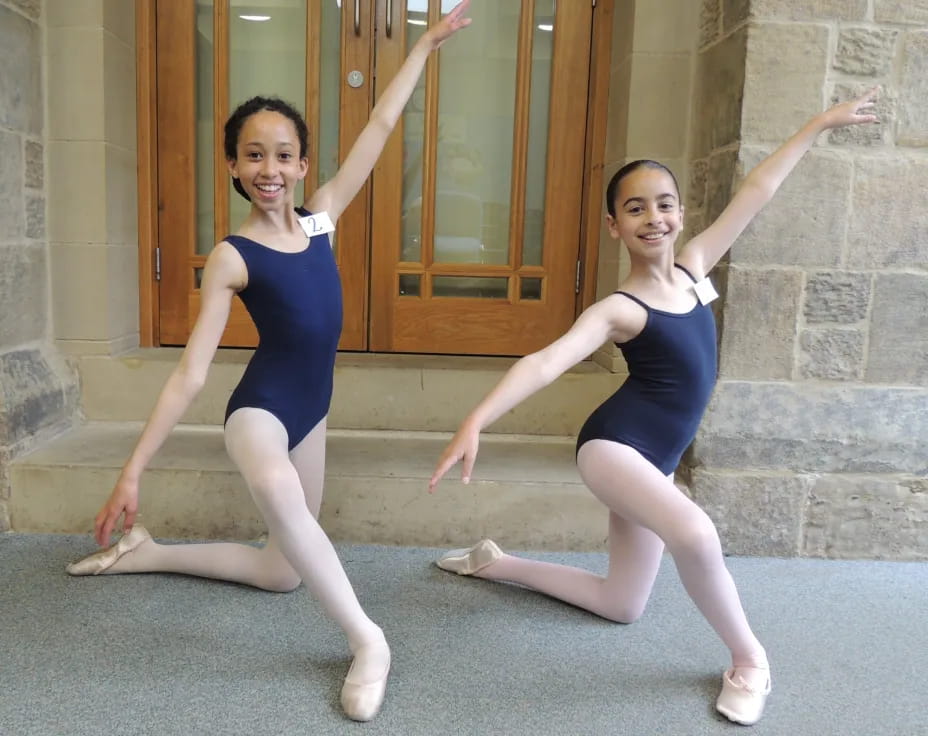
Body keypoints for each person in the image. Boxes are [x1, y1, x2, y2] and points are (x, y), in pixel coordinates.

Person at [65, 1, 471, 722]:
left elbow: (379, 127)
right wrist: (132, 469)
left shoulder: (320, 221)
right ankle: (368, 639)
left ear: (303, 164)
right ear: (232, 166)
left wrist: (425, 46)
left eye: (283, 154)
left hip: (311, 410)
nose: (270, 168)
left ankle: (146, 553)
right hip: (259, 413)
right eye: (254, 155)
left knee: (282, 570)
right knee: (283, 503)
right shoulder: (231, 255)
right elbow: (191, 371)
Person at [429, 88, 879, 726]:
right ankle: (750, 660)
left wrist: (819, 123)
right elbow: (546, 362)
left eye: (663, 204)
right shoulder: (620, 308)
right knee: (696, 533)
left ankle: (497, 563)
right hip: (614, 449)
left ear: (681, 213)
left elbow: (756, 190)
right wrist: (475, 420)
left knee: (622, 603)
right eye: (634, 209)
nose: (653, 218)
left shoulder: (696, 270)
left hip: (657, 457)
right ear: (614, 226)